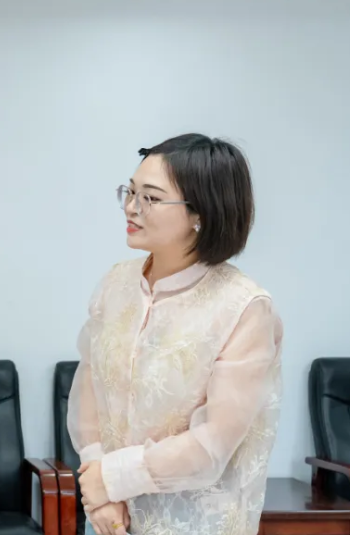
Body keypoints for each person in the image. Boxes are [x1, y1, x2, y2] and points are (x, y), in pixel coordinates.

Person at [67, 134, 284, 535]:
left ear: (201, 212)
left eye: (150, 198)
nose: (131, 207)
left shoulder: (244, 307)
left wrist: (111, 478)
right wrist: (99, 487)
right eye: (130, 192)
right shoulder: (116, 284)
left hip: (195, 524)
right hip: (110, 519)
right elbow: (89, 389)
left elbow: (212, 444)